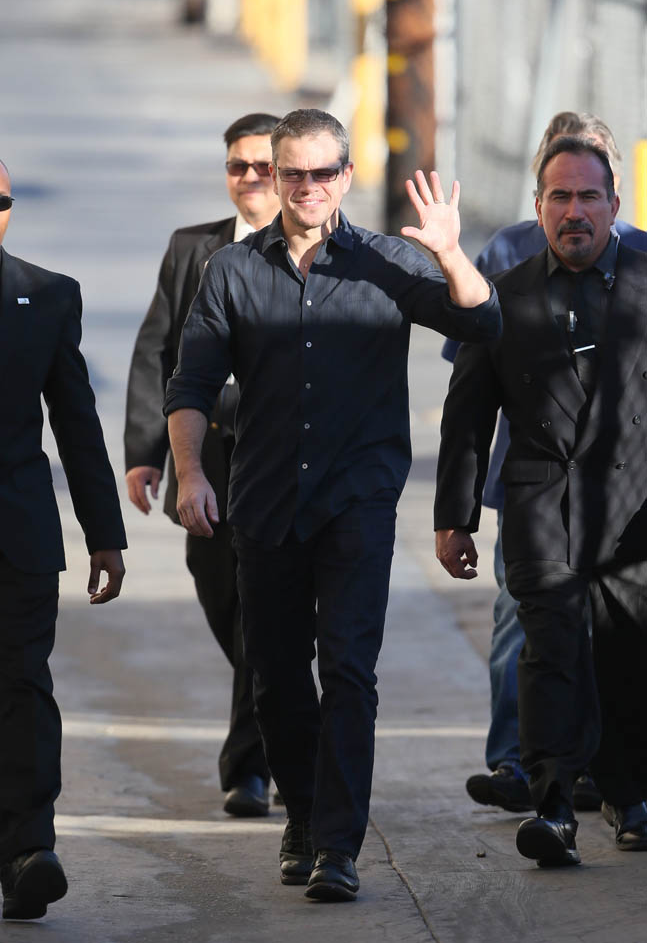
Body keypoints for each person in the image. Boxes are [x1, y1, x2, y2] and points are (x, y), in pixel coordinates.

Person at [164, 107, 500, 901]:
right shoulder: (232, 270)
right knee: (276, 676)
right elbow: (191, 385)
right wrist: (190, 474)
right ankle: (305, 817)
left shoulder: (389, 261)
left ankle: (338, 848)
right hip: (263, 501)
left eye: (323, 172)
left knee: (348, 672)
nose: (308, 186)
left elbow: (481, 320)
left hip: (357, 501)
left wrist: (450, 253)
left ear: (346, 176)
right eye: (293, 173)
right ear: (275, 176)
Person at [435, 136, 647, 868]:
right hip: (542, 505)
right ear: (538, 207)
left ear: (614, 206)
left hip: (634, 511)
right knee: (550, 656)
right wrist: (454, 518)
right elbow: (466, 416)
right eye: (559, 197)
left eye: (588, 196)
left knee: (626, 658)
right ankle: (553, 808)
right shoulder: (504, 295)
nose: (574, 211)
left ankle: (628, 794)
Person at [124, 112, 280, 817]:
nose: (249, 177)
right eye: (236, 166)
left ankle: (249, 767)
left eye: (262, 165)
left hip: (281, 458)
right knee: (221, 595)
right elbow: (156, 349)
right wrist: (145, 453)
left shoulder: (315, 250)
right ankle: (284, 722)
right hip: (207, 455)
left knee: (262, 612)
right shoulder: (194, 249)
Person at [0, 160, 126, 919]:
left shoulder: (46, 295)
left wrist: (103, 533)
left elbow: (76, 422)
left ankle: (27, 852)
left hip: (17, 535)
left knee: (22, 687)